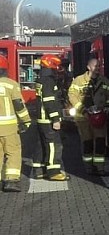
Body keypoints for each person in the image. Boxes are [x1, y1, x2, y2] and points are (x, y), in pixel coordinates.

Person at [68, 58, 109, 176]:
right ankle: (88, 168)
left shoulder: (104, 81)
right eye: (95, 66)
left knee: (100, 142)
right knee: (87, 142)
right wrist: (83, 110)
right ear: (89, 67)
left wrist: (108, 107)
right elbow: (72, 96)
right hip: (83, 118)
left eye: (99, 66)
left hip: (99, 117)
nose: (98, 68)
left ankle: (100, 168)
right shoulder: (78, 81)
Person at [32, 54, 70, 181]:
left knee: (42, 145)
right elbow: (50, 102)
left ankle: (39, 170)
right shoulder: (49, 80)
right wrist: (55, 119)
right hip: (48, 119)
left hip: (41, 118)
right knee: (54, 144)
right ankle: (54, 172)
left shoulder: (41, 79)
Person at [0, 54, 32, 192]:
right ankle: (11, 181)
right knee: (13, 152)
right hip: (9, 128)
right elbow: (19, 105)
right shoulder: (11, 84)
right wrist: (26, 121)